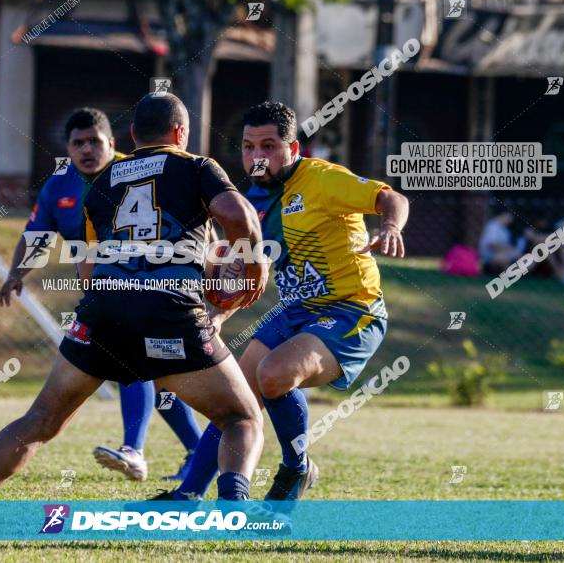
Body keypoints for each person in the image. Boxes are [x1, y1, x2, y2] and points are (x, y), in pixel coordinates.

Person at [0, 93, 267, 527]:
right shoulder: (196, 166)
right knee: (240, 416)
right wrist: (254, 265)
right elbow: (238, 212)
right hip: (169, 313)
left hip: (101, 312)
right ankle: (234, 512)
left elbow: (89, 270)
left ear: (131, 136)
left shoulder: (102, 183)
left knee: (41, 419)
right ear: (181, 134)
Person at [152, 101, 409, 507]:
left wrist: (390, 225)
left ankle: (296, 467)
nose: (257, 156)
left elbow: (389, 197)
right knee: (232, 399)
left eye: (269, 146)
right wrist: (220, 313)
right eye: (249, 146)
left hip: (351, 311)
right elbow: (258, 270)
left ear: (293, 148)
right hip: (294, 313)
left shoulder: (323, 178)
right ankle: (187, 495)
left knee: (273, 375)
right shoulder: (252, 199)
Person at [0, 107, 202, 482]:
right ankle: (200, 453)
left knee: (134, 361)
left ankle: (137, 451)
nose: (87, 149)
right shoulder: (58, 186)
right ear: (68, 149)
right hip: (101, 294)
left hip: (157, 289)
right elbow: (38, 235)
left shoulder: (138, 171)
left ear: (112, 142)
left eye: (95, 141)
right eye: (78, 143)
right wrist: (15, 274)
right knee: (158, 376)